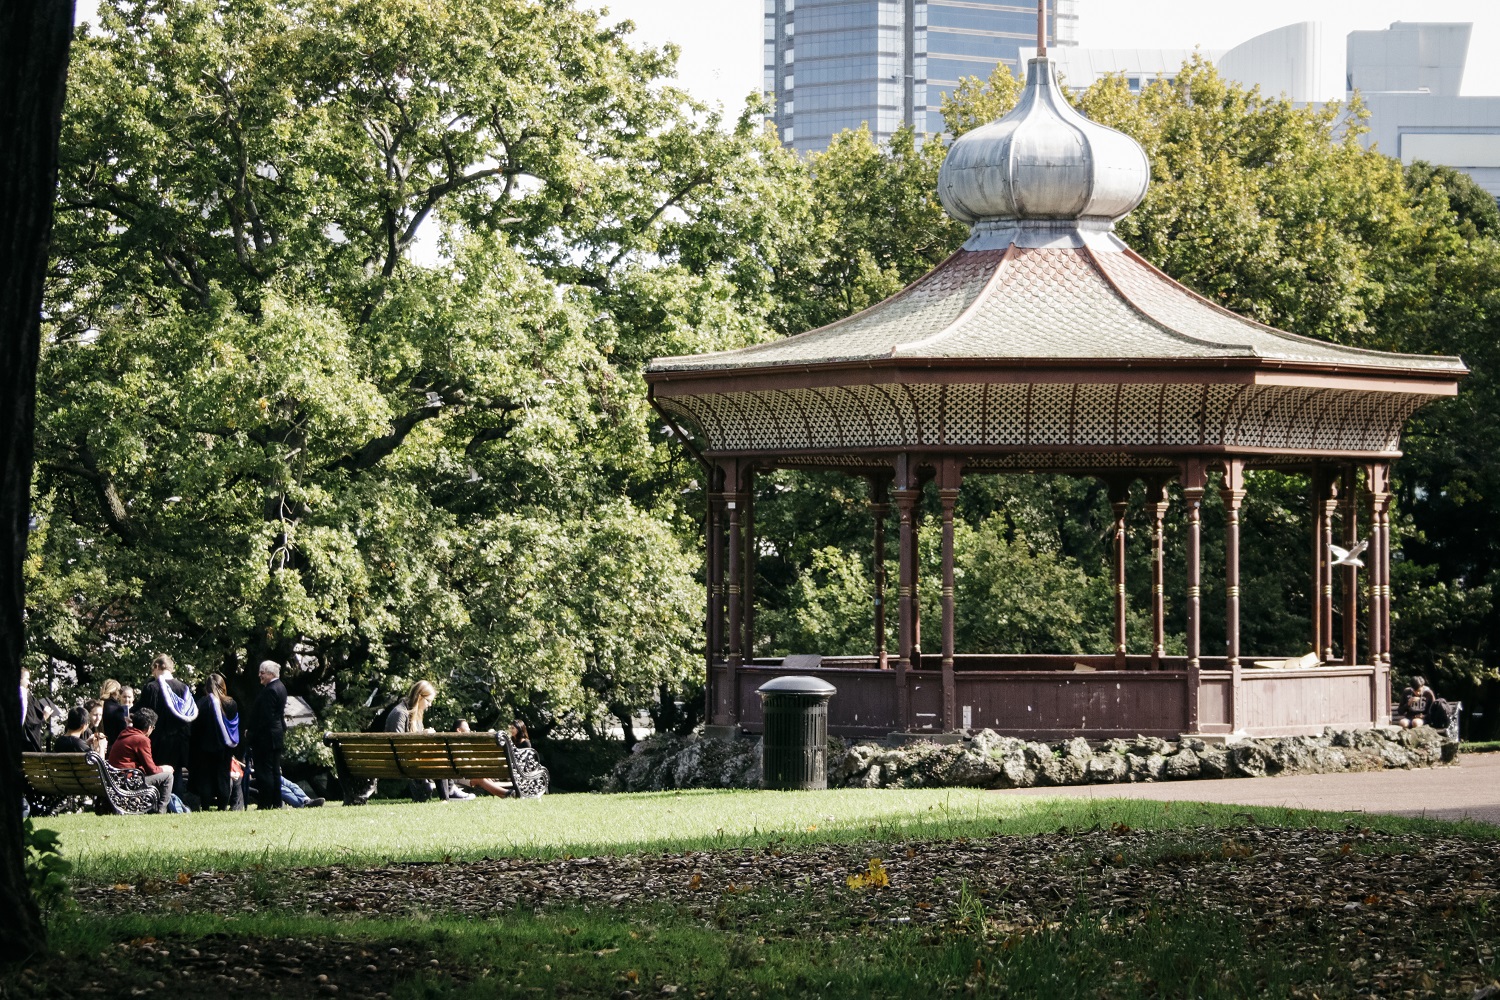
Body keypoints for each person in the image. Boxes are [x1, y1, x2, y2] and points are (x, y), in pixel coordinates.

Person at [385, 680, 472, 801]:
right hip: (402, 760)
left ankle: (449, 793)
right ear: (420, 696)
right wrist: (422, 734)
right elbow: (398, 744)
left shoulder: (414, 712)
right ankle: (448, 795)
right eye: (428, 701)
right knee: (440, 757)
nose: (429, 705)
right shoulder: (400, 713)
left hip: (411, 757)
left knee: (442, 754)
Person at [136, 653, 197, 798]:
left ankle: (158, 802)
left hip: (157, 741)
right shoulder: (184, 688)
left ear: (157, 666)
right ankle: (176, 804)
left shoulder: (151, 687)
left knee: (157, 773)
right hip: (179, 741)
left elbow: (143, 714)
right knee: (177, 776)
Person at [106, 707, 173, 813]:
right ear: (149, 727)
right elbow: (151, 769)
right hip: (128, 782)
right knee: (168, 776)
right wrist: (164, 768)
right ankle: (161, 811)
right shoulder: (141, 740)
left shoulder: (125, 734)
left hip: (116, 780)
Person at [191, 673, 240, 811]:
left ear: (206, 688)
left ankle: (206, 806)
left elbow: (195, 728)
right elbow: (235, 725)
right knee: (223, 776)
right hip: (224, 748)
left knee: (206, 777)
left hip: (204, 747)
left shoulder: (201, 703)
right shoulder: (231, 703)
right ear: (223, 686)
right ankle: (222, 806)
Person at [247, 660, 288, 809]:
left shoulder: (270, 690)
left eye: (262, 673)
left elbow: (265, 717)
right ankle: (276, 802)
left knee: (264, 772)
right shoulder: (281, 687)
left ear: (271, 674)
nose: (259, 675)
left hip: (266, 737)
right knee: (275, 772)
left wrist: (251, 733)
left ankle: (265, 803)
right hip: (276, 736)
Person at [20, 666, 51, 753]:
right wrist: (44, 717)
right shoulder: (23, 695)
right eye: (27, 679)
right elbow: (29, 725)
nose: (29, 682)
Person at [100, 679, 129, 746]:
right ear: (115, 692)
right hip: (113, 746)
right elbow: (122, 731)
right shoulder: (117, 709)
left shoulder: (97, 705)